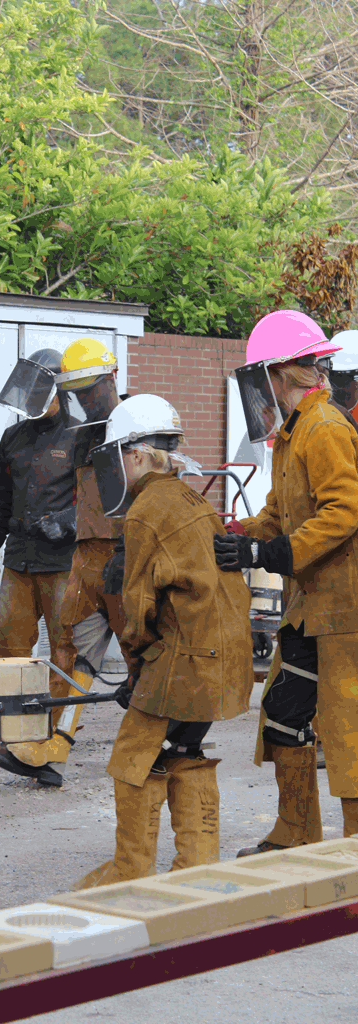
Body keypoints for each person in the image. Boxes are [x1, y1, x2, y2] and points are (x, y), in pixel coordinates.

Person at [76, 394, 253, 887]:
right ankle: (197, 871)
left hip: (187, 657)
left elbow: (137, 614)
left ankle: (129, 871)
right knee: (184, 750)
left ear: (134, 453)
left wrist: (137, 672)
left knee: (133, 756)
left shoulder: (145, 511)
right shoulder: (191, 497)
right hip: (223, 658)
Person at [214, 310, 358, 854]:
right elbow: (278, 513)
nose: (261, 388)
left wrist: (271, 552)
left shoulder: (324, 428)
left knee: (348, 733)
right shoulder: (293, 435)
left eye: (262, 376)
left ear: (282, 373)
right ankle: (295, 833)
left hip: (345, 611)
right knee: (284, 714)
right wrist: (231, 537)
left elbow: (344, 511)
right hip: (310, 608)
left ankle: (351, 848)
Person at [0, 337, 130, 787]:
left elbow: (142, 498)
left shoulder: (131, 424)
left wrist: (69, 524)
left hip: (115, 563)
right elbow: (87, 498)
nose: (86, 399)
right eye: (80, 391)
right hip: (81, 563)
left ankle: (168, 743)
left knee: (147, 661)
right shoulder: (79, 435)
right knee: (76, 663)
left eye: (92, 389)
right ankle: (46, 750)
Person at [0, 348, 77, 756]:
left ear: (58, 391)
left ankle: (51, 737)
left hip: (62, 564)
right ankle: (8, 731)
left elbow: (101, 499)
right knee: (7, 650)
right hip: (19, 560)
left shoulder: (81, 434)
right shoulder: (13, 438)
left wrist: (68, 521)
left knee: (64, 652)